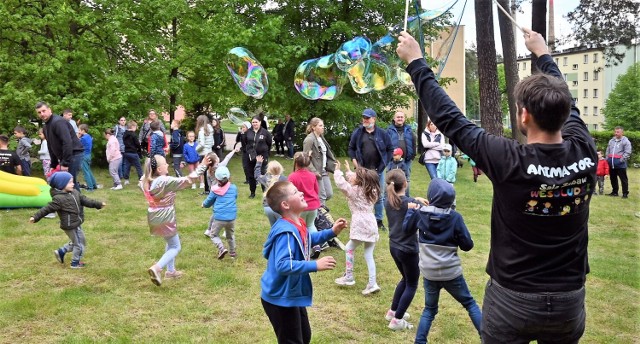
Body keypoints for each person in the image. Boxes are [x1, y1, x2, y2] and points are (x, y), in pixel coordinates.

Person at [397, 28, 596, 342]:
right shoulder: (584, 148)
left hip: (512, 302)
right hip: (568, 303)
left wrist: (416, 63)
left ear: (524, 116)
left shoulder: (508, 159)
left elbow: (450, 119)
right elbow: (568, 103)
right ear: (563, 112)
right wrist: (543, 53)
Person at [260, 180, 348, 344]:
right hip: (279, 298)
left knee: (304, 336)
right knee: (292, 340)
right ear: (286, 205)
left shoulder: (298, 223)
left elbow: (307, 239)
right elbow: (283, 264)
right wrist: (315, 265)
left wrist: (331, 232)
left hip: (290, 293)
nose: (300, 193)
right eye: (295, 192)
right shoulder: (285, 232)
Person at [404, 178, 482, 343]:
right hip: (451, 272)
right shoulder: (455, 218)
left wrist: (411, 210)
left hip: (429, 272)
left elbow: (406, 230)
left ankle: (420, 342)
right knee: (469, 304)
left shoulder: (420, 213)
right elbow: (467, 245)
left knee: (429, 310)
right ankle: (488, 338)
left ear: (431, 196)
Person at [143, 154, 207, 286]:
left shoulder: (146, 180)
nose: (168, 165)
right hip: (165, 216)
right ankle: (157, 268)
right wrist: (203, 166)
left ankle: (170, 271)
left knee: (170, 241)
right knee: (176, 246)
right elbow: (187, 180)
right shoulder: (164, 181)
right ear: (159, 169)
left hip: (154, 215)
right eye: (165, 163)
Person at [29, 171, 105, 268]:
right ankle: (75, 263)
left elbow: (85, 200)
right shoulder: (58, 199)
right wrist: (35, 217)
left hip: (76, 223)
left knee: (80, 241)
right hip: (70, 225)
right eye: (70, 182)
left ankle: (62, 251)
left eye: (72, 181)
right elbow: (47, 209)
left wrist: (97, 204)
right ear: (61, 184)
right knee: (80, 244)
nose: (73, 184)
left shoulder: (75, 192)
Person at [384, 169, 427, 331]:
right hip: (408, 249)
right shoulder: (412, 204)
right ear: (405, 184)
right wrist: (418, 201)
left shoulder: (388, 201)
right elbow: (419, 207)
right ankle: (397, 320)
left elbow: (404, 202)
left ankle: (393, 311)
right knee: (412, 283)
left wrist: (415, 199)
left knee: (405, 278)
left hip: (394, 247)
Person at [333, 160, 382, 295]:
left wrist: (337, 171)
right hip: (371, 223)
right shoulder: (372, 190)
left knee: (349, 248)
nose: (352, 176)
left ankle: (349, 276)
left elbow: (342, 184)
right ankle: (372, 283)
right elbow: (355, 180)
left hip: (360, 224)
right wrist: (348, 170)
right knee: (368, 254)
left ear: (359, 180)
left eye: (354, 175)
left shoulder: (354, 191)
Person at [347, 108, 393, 231]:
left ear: (374, 119)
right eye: (364, 118)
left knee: (378, 195)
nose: (365, 120)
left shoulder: (382, 134)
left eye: (368, 118)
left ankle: (378, 220)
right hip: (362, 171)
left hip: (377, 170)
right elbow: (351, 148)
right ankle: (360, 219)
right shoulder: (358, 133)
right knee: (359, 194)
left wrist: (385, 162)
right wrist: (355, 162)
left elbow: (390, 149)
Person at [36, 102, 85, 189]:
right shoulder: (46, 126)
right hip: (64, 156)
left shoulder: (58, 122)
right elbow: (51, 146)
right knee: (66, 183)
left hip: (73, 154)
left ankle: (76, 202)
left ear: (49, 110)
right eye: (39, 112)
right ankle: (72, 201)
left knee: (69, 182)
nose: (42, 114)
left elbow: (67, 142)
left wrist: (65, 163)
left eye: (43, 111)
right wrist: (53, 164)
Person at [288, 152, 322, 258]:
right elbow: (316, 190)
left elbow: (289, 193)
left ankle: (301, 246)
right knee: (311, 225)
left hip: (300, 207)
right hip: (313, 205)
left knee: (299, 226)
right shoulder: (312, 175)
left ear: (296, 163)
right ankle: (316, 245)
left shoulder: (292, 177)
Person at [202, 166, 238, 259]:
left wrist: (204, 204)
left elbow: (208, 202)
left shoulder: (214, 190)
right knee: (230, 235)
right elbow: (235, 197)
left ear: (216, 179)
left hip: (219, 218)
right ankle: (232, 253)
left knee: (213, 235)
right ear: (229, 177)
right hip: (231, 217)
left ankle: (221, 248)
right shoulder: (233, 188)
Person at [303, 117, 337, 205]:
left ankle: (313, 203)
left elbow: (326, 154)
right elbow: (305, 158)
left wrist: (329, 166)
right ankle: (321, 217)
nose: (323, 127)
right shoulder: (309, 140)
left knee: (329, 194)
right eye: (320, 125)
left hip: (324, 170)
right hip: (316, 172)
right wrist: (314, 172)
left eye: (323, 125)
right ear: (313, 127)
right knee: (322, 196)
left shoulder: (321, 137)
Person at [241, 116, 273, 198]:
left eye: (256, 122)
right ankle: (252, 192)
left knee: (262, 175)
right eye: (253, 122)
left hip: (262, 157)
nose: (254, 124)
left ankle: (265, 193)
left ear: (260, 122)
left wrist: (265, 153)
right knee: (251, 175)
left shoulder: (265, 132)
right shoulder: (248, 132)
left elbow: (269, 143)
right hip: (251, 157)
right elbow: (245, 142)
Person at [387, 111, 416, 193]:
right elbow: (386, 144)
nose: (400, 118)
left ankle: (405, 199)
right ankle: (392, 199)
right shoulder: (389, 130)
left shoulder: (409, 130)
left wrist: (412, 155)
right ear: (394, 118)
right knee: (391, 179)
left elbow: (414, 142)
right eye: (398, 117)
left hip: (407, 160)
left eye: (401, 117)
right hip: (393, 161)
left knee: (406, 179)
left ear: (404, 118)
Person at [255, 155, 287, 226]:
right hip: (280, 207)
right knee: (282, 226)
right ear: (281, 169)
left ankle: (273, 237)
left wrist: (258, 163)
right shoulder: (284, 179)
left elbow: (257, 175)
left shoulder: (266, 178)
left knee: (273, 226)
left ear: (268, 170)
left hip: (267, 207)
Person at [605, 126, 632, 198]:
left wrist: (621, 160)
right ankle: (615, 192)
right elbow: (608, 150)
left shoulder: (626, 141)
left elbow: (628, 152)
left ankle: (625, 193)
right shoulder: (611, 141)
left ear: (622, 133)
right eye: (615, 132)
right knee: (613, 178)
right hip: (611, 163)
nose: (616, 133)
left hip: (621, 165)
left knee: (623, 180)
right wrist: (607, 159)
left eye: (618, 132)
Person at [78, 124, 99, 191]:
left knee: (85, 172)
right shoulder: (89, 136)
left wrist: (78, 137)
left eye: (79, 130)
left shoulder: (83, 138)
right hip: (88, 155)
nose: (78, 131)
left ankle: (90, 188)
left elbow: (77, 143)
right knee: (88, 170)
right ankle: (94, 185)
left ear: (83, 130)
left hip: (84, 156)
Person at [195, 115, 214, 190]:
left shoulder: (201, 131)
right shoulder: (210, 130)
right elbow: (212, 143)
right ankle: (209, 188)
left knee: (204, 171)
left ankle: (207, 190)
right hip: (209, 152)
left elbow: (202, 144)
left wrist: (196, 149)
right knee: (209, 172)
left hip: (203, 154)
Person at [122, 120, 144, 185]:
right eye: (135, 127)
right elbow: (137, 144)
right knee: (138, 166)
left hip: (126, 152)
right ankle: (141, 179)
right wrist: (139, 148)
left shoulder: (124, 134)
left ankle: (126, 179)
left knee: (127, 166)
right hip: (133, 152)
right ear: (133, 127)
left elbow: (124, 142)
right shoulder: (133, 135)